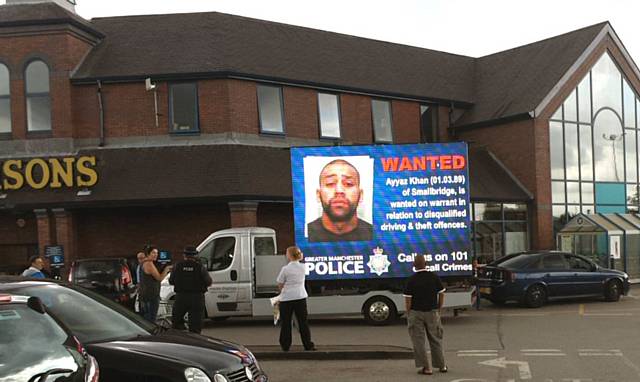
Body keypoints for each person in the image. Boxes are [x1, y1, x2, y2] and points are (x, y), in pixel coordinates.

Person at [307, 159, 372, 242]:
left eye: (349, 184)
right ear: (318, 194)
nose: (339, 190)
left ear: (361, 195)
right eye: (330, 183)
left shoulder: (378, 235)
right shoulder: (305, 233)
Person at [404, 254, 448, 375]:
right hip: (432, 312)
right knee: (436, 339)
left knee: (418, 341)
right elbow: (441, 293)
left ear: (414, 265)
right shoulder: (434, 277)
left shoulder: (411, 280)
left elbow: (408, 300)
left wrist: (408, 313)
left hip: (416, 312)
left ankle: (426, 368)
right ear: (426, 264)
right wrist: (439, 307)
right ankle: (442, 365)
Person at [276, 246, 315, 351]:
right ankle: (308, 344)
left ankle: (285, 345)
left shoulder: (285, 269)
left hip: (286, 299)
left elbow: (280, 283)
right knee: (303, 322)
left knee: (286, 323)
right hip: (300, 297)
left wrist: (283, 291)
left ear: (289, 256)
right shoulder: (303, 267)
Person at [169, 246, 212, 334]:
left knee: (176, 321)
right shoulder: (200, 267)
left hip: (181, 297)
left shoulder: (177, 266)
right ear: (196, 256)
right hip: (197, 298)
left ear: (184, 255)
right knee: (196, 324)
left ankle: (179, 339)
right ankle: (194, 342)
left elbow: (171, 281)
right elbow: (209, 282)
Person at [139, 245, 172, 322]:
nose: (156, 255)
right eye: (153, 253)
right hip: (151, 296)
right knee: (151, 320)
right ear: (148, 254)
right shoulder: (149, 264)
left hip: (145, 295)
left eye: (157, 253)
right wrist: (166, 269)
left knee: (145, 319)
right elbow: (159, 278)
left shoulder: (143, 263)